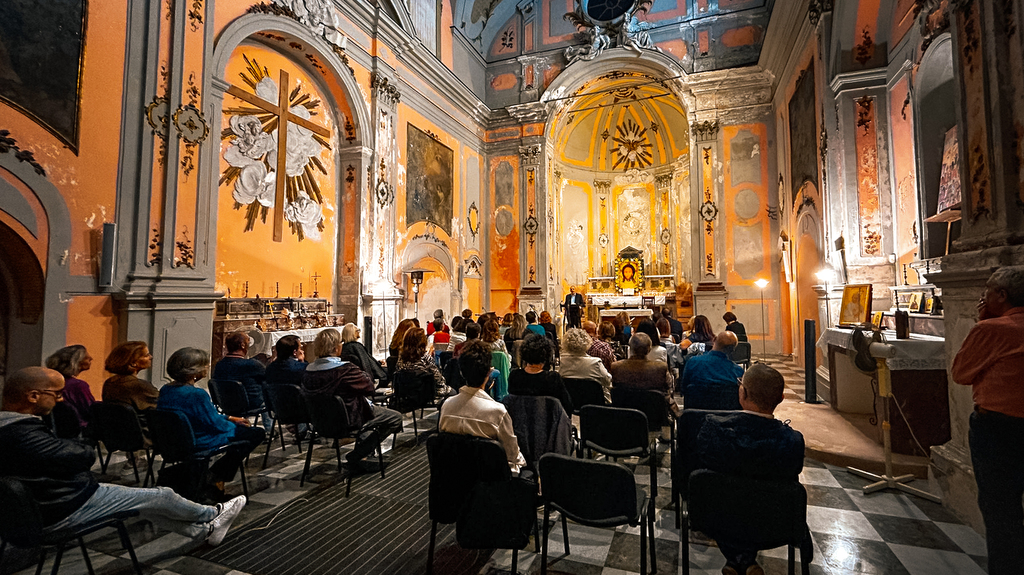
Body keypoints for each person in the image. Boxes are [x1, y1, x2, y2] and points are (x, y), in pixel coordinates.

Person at [0, 367, 246, 547]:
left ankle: (204, 531)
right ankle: (213, 514)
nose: (61, 399)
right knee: (162, 495)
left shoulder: (11, 426)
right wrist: (82, 435)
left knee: (144, 504)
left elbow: (49, 461)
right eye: (56, 394)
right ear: (33, 396)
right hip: (64, 507)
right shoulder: (22, 434)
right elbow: (83, 456)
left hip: (47, 501)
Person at [690, 363, 805, 575]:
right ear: (780, 399)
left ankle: (736, 560)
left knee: (730, 496)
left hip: (719, 516)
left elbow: (705, 470)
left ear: (742, 393)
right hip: (772, 521)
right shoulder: (793, 441)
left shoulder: (714, 429)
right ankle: (746, 560)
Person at [951, 266, 1024, 574]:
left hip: (998, 429)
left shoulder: (992, 329)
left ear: (1002, 295)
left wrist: (983, 322)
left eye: (988, 291)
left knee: (1001, 510)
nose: (983, 296)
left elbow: (961, 373)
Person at [157, 348, 266, 500]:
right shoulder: (196, 395)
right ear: (194, 370)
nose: (208, 368)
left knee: (242, 434)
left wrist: (228, 417)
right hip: (200, 439)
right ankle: (216, 475)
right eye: (205, 365)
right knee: (254, 434)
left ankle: (215, 477)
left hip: (174, 440)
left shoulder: (166, 389)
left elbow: (202, 417)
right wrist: (235, 426)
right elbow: (214, 425)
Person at [303, 328, 404, 465]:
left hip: (320, 420)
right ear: (336, 348)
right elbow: (369, 386)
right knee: (395, 418)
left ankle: (364, 447)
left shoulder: (308, 371)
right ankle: (359, 453)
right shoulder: (345, 370)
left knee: (368, 420)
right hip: (350, 417)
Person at [438, 339, 526, 473]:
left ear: (462, 372)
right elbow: (513, 457)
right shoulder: (498, 412)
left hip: (454, 479)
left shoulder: (446, 406)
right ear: (489, 373)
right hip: (491, 483)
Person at [212, 332, 269, 432]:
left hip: (225, 403)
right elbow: (268, 377)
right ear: (242, 345)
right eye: (248, 342)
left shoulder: (219, 365)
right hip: (249, 404)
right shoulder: (252, 364)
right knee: (268, 392)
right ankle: (269, 430)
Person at [611, 333, 677, 418]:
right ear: (649, 349)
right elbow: (669, 389)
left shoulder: (616, 367)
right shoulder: (661, 368)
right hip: (655, 417)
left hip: (624, 417)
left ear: (630, 348)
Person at [507, 334, 573, 416]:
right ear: (547, 356)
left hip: (519, 425)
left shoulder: (515, 376)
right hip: (548, 425)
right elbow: (568, 407)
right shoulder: (553, 379)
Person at [680, 331, 743, 410]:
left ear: (714, 339)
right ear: (733, 350)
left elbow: (683, 389)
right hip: (726, 418)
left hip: (696, 418)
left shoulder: (693, 362)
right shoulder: (738, 372)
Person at [264, 335, 310, 440]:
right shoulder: (301, 368)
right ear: (294, 352)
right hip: (299, 410)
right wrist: (302, 362)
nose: (301, 350)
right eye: (300, 348)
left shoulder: (270, 368)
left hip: (277, 409)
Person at [45, 345, 96, 433]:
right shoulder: (78, 386)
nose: (91, 358)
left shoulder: (49, 382)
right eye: (86, 358)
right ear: (76, 361)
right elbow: (89, 410)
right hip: (79, 430)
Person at [557, 328, 612, 403]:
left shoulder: (561, 362)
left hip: (570, 405)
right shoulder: (595, 363)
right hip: (594, 405)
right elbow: (608, 380)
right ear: (587, 342)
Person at [396, 327, 452, 399]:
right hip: (426, 396)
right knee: (453, 392)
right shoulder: (426, 358)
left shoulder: (401, 358)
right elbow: (438, 380)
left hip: (406, 395)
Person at [102, 341, 159, 412]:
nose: (151, 357)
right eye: (146, 355)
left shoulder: (109, 383)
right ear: (133, 363)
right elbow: (162, 404)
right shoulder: (140, 386)